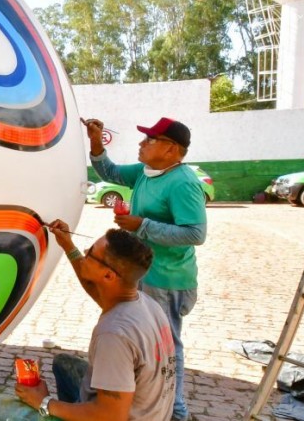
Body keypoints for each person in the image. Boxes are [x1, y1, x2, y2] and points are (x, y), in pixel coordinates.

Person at [0, 225, 176, 421]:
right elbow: (95, 288)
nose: (84, 253)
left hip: (112, 415)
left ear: (108, 276)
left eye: (90, 253)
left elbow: (112, 416)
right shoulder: (145, 304)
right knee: (63, 364)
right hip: (147, 410)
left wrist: (44, 402)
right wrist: (68, 245)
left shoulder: (114, 336)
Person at [84, 116, 207, 421]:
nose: (141, 144)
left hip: (168, 280)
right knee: (148, 342)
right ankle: (142, 398)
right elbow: (109, 171)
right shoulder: (145, 172)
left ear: (171, 149)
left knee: (165, 345)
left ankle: (175, 411)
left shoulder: (183, 183)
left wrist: (143, 225)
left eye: (150, 140)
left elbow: (195, 233)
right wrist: (96, 141)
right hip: (145, 274)